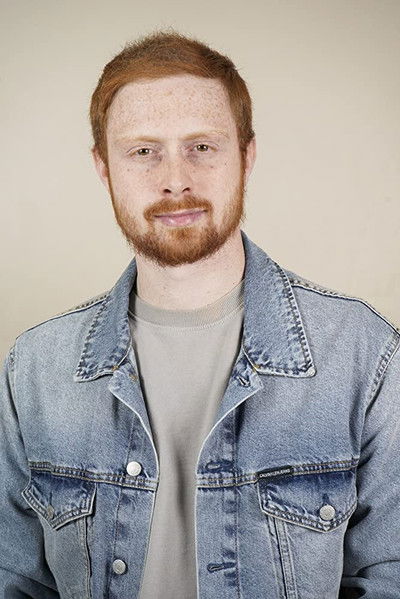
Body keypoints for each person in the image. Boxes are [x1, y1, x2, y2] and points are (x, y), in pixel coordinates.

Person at [1, 29, 399, 599]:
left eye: (202, 147)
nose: (175, 180)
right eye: (143, 151)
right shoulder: (34, 368)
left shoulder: (365, 354)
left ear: (247, 156)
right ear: (103, 168)